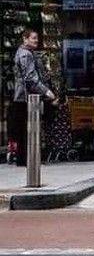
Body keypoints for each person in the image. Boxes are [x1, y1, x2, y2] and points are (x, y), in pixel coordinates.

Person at [9, 28, 57, 166]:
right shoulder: (26, 54)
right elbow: (30, 78)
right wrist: (46, 91)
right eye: (33, 38)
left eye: (36, 38)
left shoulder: (26, 52)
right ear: (25, 39)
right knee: (28, 129)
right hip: (26, 98)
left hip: (23, 97)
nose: (36, 40)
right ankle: (27, 159)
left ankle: (25, 159)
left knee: (25, 129)